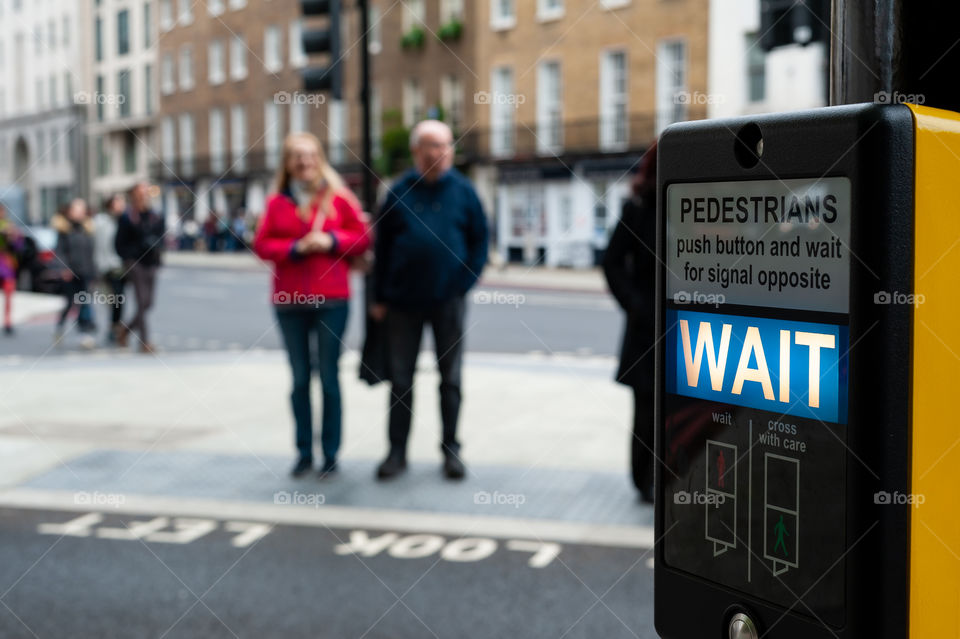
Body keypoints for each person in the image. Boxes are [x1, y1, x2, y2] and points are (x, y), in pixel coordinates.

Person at [371, 120, 489, 481]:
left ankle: (451, 451)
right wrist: (378, 297)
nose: (440, 153)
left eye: (445, 145)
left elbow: (480, 241)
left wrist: (462, 285)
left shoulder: (465, 191)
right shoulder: (398, 192)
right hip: (402, 302)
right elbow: (382, 249)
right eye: (432, 146)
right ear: (416, 151)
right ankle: (396, 452)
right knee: (401, 381)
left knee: (450, 379)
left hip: (447, 301)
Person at [253, 132, 370, 478]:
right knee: (300, 379)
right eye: (297, 157)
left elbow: (363, 238)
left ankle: (331, 453)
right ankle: (304, 452)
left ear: (320, 158)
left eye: (310, 156)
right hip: (289, 300)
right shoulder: (276, 202)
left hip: (332, 298)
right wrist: (294, 248)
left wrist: (331, 239)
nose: (304, 163)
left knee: (330, 378)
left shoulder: (339, 198)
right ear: (288, 164)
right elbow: (261, 245)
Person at [602, 141, 658, 504]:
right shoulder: (639, 208)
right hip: (647, 328)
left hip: (689, 324)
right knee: (647, 408)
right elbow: (611, 262)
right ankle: (644, 480)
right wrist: (635, 306)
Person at [115, 181, 165, 353]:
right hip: (134, 262)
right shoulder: (127, 217)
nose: (145, 194)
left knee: (148, 303)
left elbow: (161, 237)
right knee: (141, 301)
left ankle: (125, 329)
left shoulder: (155, 215)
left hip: (151, 262)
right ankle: (144, 342)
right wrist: (129, 258)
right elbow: (119, 244)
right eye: (141, 192)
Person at [52, 199, 98, 345]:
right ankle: (60, 327)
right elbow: (59, 252)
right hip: (69, 273)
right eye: (76, 209)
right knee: (70, 303)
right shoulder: (64, 230)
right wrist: (63, 269)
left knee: (84, 301)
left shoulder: (87, 229)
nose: (79, 213)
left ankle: (84, 332)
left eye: (82, 210)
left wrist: (94, 273)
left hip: (85, 272)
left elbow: (91, 253)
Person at [94, 194, 126, 344]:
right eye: (118, 202)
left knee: (119, 299)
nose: (121, 205)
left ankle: (115, 326)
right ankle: (114, 327)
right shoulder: (100, 221)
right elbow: (98, 245)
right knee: (114, 298)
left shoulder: (125, 220)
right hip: (108, 266)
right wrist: (99, 265)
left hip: (123, 266)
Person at [0, 203, 22, 336]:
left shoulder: (10, 226)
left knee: (8, 295)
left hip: (6, 265)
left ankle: (8, 321)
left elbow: (18, 246)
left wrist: (13, 236)